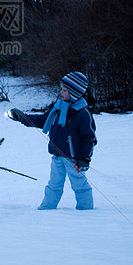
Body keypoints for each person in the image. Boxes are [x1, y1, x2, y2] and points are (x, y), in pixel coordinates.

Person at [6, 71, 97, 210]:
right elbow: (42, 120)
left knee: (79, 185)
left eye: (65, 90)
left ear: (75, 93)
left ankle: (86, 209)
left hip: (74, 160)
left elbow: (89, 138)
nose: (61, 92)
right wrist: (23, 117)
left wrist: (85, 158)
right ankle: (47, 208)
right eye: (61, 89)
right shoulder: (58, 108)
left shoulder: (82, 114)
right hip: (57, 156)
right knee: (54, 184)